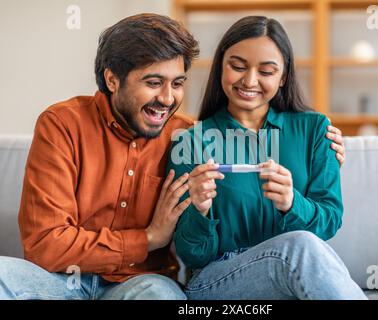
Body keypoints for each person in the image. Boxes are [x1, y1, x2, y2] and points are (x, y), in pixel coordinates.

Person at [0, 13, 345, 300]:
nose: (167, 99)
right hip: (59, 282)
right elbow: (45, 245)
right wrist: (149, 238)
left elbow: (326, 216)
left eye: (177, 83)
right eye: (153, 82)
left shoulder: (181, 133)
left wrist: (316, 167)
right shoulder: (64, 125)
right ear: (112, 79)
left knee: (159, 295)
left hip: (141, 286)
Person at [168, 16, 366, 300]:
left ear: (283, 76)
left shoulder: (315, 130)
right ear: (220, 67)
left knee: (301, 246)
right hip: (216, 280)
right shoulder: (191, 141)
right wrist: (199, 210)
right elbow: (193, 254)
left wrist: (291, 203)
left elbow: (330, 220)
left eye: (267, 71)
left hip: (292, 271)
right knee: (300, 247)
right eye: (237, 66)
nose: (249, 81)